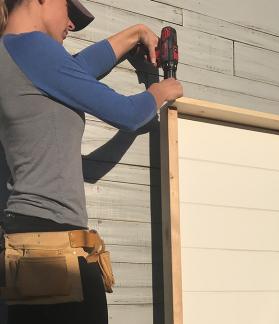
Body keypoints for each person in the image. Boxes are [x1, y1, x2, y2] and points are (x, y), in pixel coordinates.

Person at [0, 0, 183, 323]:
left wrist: (135, 34)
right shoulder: (33, 48)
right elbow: (126, 114)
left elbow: (80, 68)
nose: (71, 24)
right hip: (53, 247)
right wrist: (160, 92)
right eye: (68, 11)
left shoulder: (14, 54)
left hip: (28, 243)